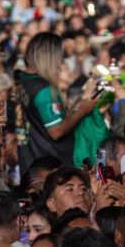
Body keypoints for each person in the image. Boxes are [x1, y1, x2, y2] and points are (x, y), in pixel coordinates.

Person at [18, 32, 98, 168]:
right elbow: (56, 131)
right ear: (49, 57)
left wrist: (79, 103)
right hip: (53, 161)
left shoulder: (24, 79)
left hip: (34, 157)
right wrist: (83, 111)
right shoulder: (44, 89)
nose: (61, 61)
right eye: (60, 57)